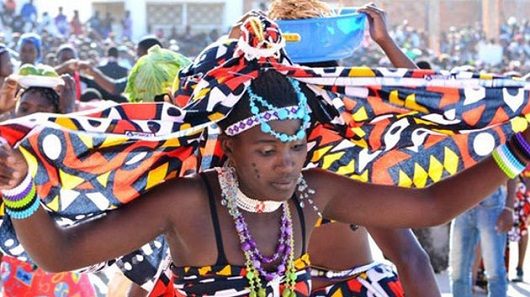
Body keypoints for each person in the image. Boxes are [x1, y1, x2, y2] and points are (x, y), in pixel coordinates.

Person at [0, 14, 529, 297]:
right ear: (229, 144)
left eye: (298, 146)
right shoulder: (186, 202)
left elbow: (432, 207)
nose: (288, 163)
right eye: (269, 150)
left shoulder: (313, 193)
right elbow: (60, 256)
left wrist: (521, 148)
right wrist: (21, 190)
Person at [270, 3, 440, 296]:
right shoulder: (349, 142)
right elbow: (435, 108)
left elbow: (411, 258)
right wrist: (385, 41)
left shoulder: (254, 144)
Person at [0, 74, 96, 297]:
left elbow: (84, 178)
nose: (31, 117)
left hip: (65, 279)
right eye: (24, 109)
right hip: (18, 277)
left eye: (41, 111)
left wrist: (69, 118)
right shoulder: (5, 158)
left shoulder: (65, 154)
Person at [449, 179, 516, 297]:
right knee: (458, 272)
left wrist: (509, 208)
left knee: (495, 271)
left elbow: (513, 166)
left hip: (491, 205)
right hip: (462, 205)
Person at [509, 169, 530, 282]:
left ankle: (520, 268)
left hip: (524, 196)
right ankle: (504, 270)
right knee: (504, 232)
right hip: (510, 193)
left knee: (523, 230)